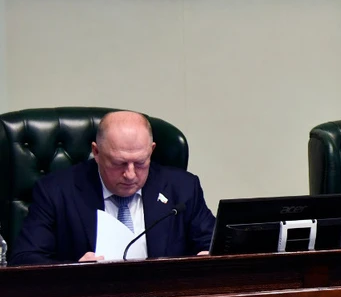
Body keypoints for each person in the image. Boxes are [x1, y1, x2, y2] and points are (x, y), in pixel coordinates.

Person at [10, 111, 215, 265]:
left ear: (151, 151)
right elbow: (24, 259)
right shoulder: (56, 191)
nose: (130, 174)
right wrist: (72, 271)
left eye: (141, 162)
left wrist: (210, 258)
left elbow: (214, 244)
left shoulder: (183, 188)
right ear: (96, 152)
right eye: (119, 163)